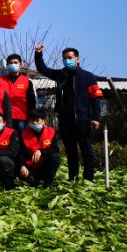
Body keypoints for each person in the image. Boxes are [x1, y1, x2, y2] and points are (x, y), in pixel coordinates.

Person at [35, 44, 103, 181]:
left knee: (87, 151)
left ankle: (88, 179)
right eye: (64, 58)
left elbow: (95, 99)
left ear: (77, 59)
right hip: (66, 120)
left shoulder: (88, 77)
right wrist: (38, 54)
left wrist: (96, 118)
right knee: (71, 152)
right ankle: (73, 178)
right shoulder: (60, 75)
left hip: (83, 120)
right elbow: (43, 69)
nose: (67, 60)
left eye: (70, 58)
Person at [0, 54, 37, 132]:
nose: (13, 64)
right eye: (10, 63)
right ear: (7, 65)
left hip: (21, 117)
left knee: (21, 137)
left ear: (20, 65)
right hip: (4, 117)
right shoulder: (0, 80)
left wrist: (32, 117)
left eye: (15, 62)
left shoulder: (27, 81)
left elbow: (32, 101)